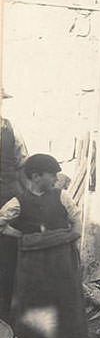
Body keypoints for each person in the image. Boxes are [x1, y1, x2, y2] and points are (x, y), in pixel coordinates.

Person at [0, 153, 88, 338]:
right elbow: (1, 222)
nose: (56, 179)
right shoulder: (18, 202)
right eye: (52, 175)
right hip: (34, 264)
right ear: (36, 176)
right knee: (37, 305)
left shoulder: (62, 196)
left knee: (67, 302)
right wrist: (20, 235)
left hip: (62, 259)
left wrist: (71, 235)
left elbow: (76, 222)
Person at [0, 108, 29, 322]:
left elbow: (22, 165)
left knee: (8, 257)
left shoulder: (11, 129)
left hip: (7, 198)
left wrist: (27, 200)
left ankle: (6, 311)